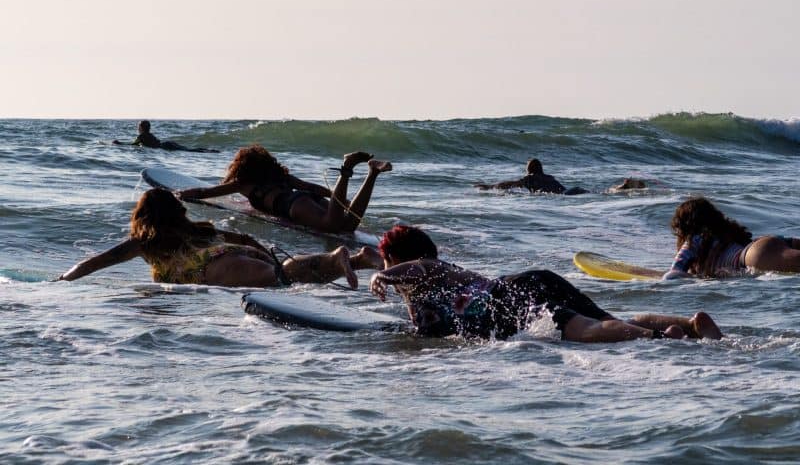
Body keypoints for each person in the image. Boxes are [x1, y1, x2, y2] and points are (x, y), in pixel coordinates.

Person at [368, 225, 722, 342]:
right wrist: (351, 262)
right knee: (607, 320)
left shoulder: (426, 271)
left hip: (510, 298)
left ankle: (664, 340)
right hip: (523, 285)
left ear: (397, 258)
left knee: (587, 331)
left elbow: (417, 267)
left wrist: (382, 275)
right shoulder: (435, 279)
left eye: (388, 261)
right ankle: (690, 326)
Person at [58, 188, 381, 288]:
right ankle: (356, 260)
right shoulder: (198, 229)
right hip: (232, 253)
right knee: (284, 274)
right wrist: (264, 254)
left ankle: (337, 257)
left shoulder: (146, 241)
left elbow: (97, 262)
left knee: (284, 277)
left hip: (215, 267)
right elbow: (243, 238)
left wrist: (63, 281)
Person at [176, 145, 391, 233]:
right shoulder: (279, 175)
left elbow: (206, 193)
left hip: (293, 206)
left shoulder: (243, 183)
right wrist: (339, 200)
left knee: (333, 225)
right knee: (349, 224)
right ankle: (372, 173)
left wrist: (180, 195)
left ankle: (346, 168)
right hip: (305, 198)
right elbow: (312, 188)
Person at [664, 196, 800, 280]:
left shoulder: (693, 241)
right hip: (762, 245)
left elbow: (673, 274)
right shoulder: (727, 234)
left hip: (750, 258)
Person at [475, 159, 588, 195]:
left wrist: (490, 187)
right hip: (573, 191)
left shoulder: (530, 178)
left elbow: (511, 184)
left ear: (529, 170)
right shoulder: (549, 177)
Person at [113, 120, 219, 153]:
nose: (138, 128)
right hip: (167, 144)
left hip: (166, 146)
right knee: (188, 149)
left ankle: (209, 151)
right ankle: (209, 150)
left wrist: (119, 143)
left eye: (138, 127)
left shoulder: (141, 136)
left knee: (189, 150)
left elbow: (133, 145)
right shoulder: (149, 135)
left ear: (141, 127)